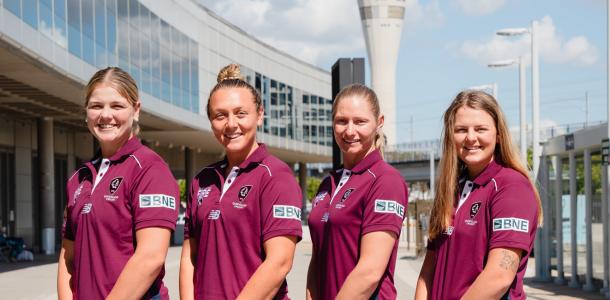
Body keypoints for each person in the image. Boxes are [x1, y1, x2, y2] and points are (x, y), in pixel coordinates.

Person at [179, 64, 303, 299]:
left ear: (260, 115)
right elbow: (189, 258)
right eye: (220, 115)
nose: (231, 124)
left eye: (241, 113)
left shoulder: (276, 176)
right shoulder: (202, 180)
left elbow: (279, 262)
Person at [57, 67, 179, 300]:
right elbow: (68, 256)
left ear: (136, 110)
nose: (105, 115)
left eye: (117, 106)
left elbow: (151, 257)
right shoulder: (79, 177)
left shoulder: (150, 170)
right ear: (86, 112)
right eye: (96, 106)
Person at [415, 90, 542, 300]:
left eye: (481, 129)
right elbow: (429, 269)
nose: (471, 137)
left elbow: (500, 276)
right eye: (461, 129)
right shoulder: (451, 189)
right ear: (450, 136)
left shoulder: (512, 187)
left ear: (498, 135)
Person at [306, 84, 408, 299]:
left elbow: (370, 272)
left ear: (379, 123)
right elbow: (317, 259)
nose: (349, 131)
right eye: (342, 121)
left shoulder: (385, 180)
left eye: (360, 121)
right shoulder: (328, 183)